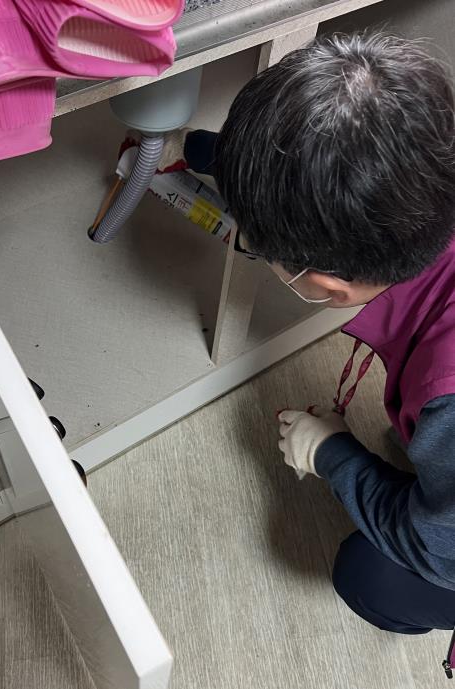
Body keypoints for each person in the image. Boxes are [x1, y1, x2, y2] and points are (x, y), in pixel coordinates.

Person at [151, 30, 455, 662]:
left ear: (327, 287)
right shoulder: (432, 159)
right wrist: (200, 149)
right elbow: (327, 161)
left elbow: (440, 552)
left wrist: (333, 455)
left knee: (370, 575)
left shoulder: (448, 398)